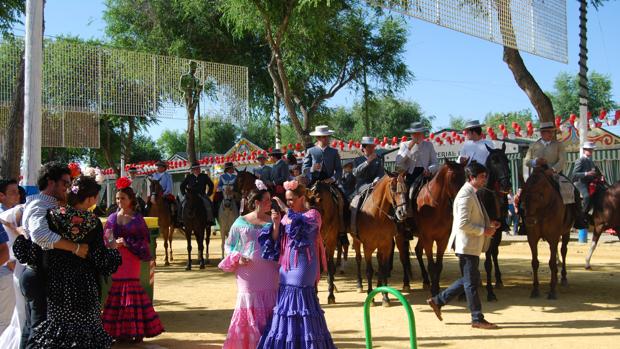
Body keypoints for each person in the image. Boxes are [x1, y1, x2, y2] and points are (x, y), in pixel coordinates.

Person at [14, 175, 122, 348]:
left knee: (58, 334)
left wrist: (23, 235)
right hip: (85, 289)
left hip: (57, 287)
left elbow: (35, 249)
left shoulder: (52, 216)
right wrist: (113, 250)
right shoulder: (92, 222)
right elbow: (101, 259)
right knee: (85, 333)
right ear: (89, 199)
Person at [16, 162, 90, 349]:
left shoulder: (49, 204)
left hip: (41, 273)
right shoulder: (40, 203)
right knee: (40, 330)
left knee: (32, 327)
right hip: (38, 272)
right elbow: (40, 236)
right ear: (50, 182)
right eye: (64, 183)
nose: (67, 188)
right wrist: (75, 248)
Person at [257, 180, 336, 348]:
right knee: (285, 304)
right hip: (286, 267)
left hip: (304, 266)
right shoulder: (287, 215)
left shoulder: (313, 215)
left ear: (301, 197)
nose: (289, 203)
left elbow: (301, 227)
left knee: (302, 300)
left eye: (292, 199)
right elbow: (277, 240)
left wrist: (285, 210)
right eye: (287, 199)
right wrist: (277, 223)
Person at [426, 162, 500, 330]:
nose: (484, 180)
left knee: (470, 279)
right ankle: (476, 317)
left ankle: (438, 301)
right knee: (471, 283)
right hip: (467, 244)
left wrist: (489, 224)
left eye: (485, 176)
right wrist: (484, 231)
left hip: (470, 244)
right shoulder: (466, 195)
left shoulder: (471, 192)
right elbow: (463, 224)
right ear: (472, 178)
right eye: (482, 177)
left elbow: (472, 218)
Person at [218, 181, 279, 349]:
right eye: (266, 200)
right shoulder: (240, 222)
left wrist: (276, 225)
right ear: (257, 203)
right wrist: (237, 257)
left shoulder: (272, 220)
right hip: (247, 274)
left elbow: (277, 244)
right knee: (248, 304)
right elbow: (229, 245)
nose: (270, 203)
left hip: (270, 271)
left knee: (270, 306)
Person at [102, 179, 164, 342]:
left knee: (131, 290)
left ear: (130, 200)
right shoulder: (112, 218)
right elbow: (106, 238)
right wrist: (114, 244)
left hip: (131, 259)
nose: (119, 201)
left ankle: (135, 331)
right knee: (117, 291)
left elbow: (144, 241)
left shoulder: (137, 219)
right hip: (117, 258)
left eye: (122, 198)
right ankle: (117, 332)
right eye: (117, 198)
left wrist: (127, 243)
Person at [523, 121, 586, 228]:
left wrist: (553, 170)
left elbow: (562, 160)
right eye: (548, 132)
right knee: (524, 193)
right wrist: (536, 161)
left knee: (573, 189)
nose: (551, 134)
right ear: (542, 133)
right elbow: (527, 161)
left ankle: (578, 217)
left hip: (554, 174)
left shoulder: (558, 145)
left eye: (552, 132)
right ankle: (523, 220)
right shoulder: (533, 145)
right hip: (537, 174)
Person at [302, 125, 345, 234]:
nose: (325, 139)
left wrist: (332, 178)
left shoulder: (334, 152)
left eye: (327, 137)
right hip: (314, 182)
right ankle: (303, 226)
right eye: (322, 137)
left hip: (329, 183)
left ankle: (342, 228)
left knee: (341, 199)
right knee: (303, 201)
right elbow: (304, 170)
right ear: (318, 138)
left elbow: (339, 170)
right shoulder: (311, 151)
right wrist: (312, 168)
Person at [350, 137, 385, 235]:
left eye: (373, 147)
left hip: (376, 185)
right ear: (363, 148)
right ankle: (353, 227)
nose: (372, 149)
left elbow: (380, 173)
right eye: (369, 147)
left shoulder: (378, 160)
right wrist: (367, 162)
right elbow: (356, 173)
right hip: (362, 186)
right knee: (355, 203)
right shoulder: (357, 160)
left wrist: (377, 180)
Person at [0, 179, 20, 335]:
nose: (17, 195)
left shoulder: (15, 214)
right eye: (12, 192)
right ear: (1, 196)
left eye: (18, 191)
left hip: (12, 270)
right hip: (5, 270)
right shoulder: (3, 217)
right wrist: (8, 263)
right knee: (5, 319)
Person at [396, 122, 438, 188]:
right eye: (414, 134)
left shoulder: (429, 145)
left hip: (425, 174)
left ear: (422, 134)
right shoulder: (404, 145)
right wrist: (409, 148)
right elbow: (398, 161)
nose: (417, 136)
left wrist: (429, 169)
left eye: (419, 133)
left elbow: (435, 163)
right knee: (405, 194)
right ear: (411, 135)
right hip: (410, 174)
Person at [573, 141, 599, 218]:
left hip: (589, 182)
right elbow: (574, 174)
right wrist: (586, 173)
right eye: (589, 149)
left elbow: (593, 173)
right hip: (580, 183)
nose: (591, 151)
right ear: (584, 150)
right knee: (587, 197)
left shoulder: (591, 161)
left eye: (591, 150)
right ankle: (582, 215)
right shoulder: (580, 160)